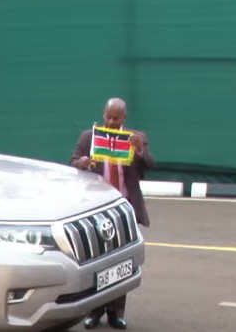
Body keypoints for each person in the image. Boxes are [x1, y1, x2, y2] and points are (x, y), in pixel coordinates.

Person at [70, 97, 153, 330]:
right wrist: (83, 162)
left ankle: (116, 312)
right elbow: (72, 161)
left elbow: (149, 165)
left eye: (117, 118)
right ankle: (94, 312)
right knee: (97, 262)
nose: (112, 121)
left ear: (124, 118)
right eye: (109, 116)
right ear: (103, 114)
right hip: (97, 208)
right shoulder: (90, 137)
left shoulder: (135, 138)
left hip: (125, 208)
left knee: (122, 262)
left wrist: (140, 150)